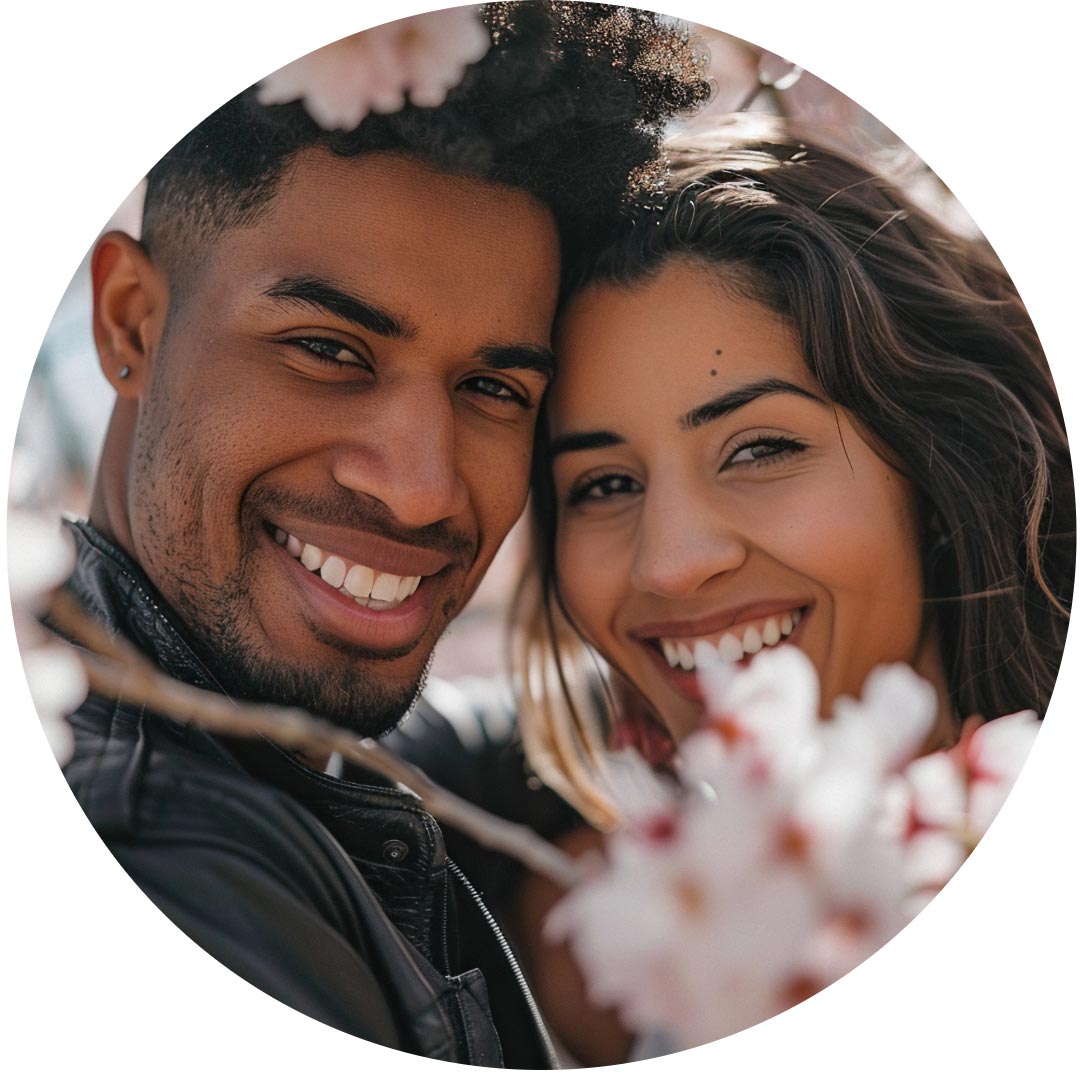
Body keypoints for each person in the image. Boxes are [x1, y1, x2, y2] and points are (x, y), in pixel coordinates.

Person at [55, 3, 710, 1066]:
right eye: (327, 349)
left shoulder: (279, 743)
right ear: (130, 320)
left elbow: (461, 746)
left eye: (493, 387)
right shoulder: (162, 862)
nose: (418, 493)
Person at [511, 117, 1072, 945]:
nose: (670, 565)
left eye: (760, 449)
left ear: (936, 468)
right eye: (606, 485)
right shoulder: (569, 946)